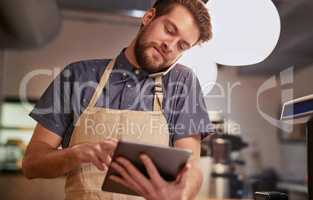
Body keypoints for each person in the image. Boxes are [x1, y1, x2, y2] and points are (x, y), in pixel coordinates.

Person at [22, 0, 213, 199]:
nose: (170, 46)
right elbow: (32, 164)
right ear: (148, 17)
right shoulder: (77, 76)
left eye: (182, 45)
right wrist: (77, 153)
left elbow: (193, 169)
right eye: (169, 30)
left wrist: (179, 195)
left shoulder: (182, 82)